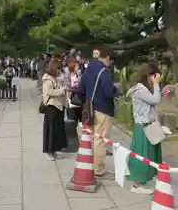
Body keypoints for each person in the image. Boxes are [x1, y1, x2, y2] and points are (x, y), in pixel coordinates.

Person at [77, 50, 117, 178]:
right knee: (101, 139)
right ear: (108, 58)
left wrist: (87, 101)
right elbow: (108, 92)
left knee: (93, 138)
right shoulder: (104, 72)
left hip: (90, 109)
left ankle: (91, 163)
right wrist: (116, 88)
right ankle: (98, 169)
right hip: (103, 109)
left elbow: (80, 89)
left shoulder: (88, 70)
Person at [126, 64, 163, 195]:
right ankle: (137, 184)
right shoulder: (140, 89)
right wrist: (157, 85)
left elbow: (152, 100)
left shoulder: (142, 88)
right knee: (142, 155)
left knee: (149, 154)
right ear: (150, 76)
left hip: (147, 125)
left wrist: (159, 90)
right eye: (155, 77)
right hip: (143, 125)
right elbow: (155, 100)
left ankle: (142, 181)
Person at [42, 59, 68, 160]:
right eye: (58, 68)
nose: (59, 71)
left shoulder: (56, 78)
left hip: (59, 106)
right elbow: (48, 92)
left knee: (57, 130)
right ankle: (49, 151)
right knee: (51, 130)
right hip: (51, 107)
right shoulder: (48, 79)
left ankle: (54, 149)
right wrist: (62, 90)